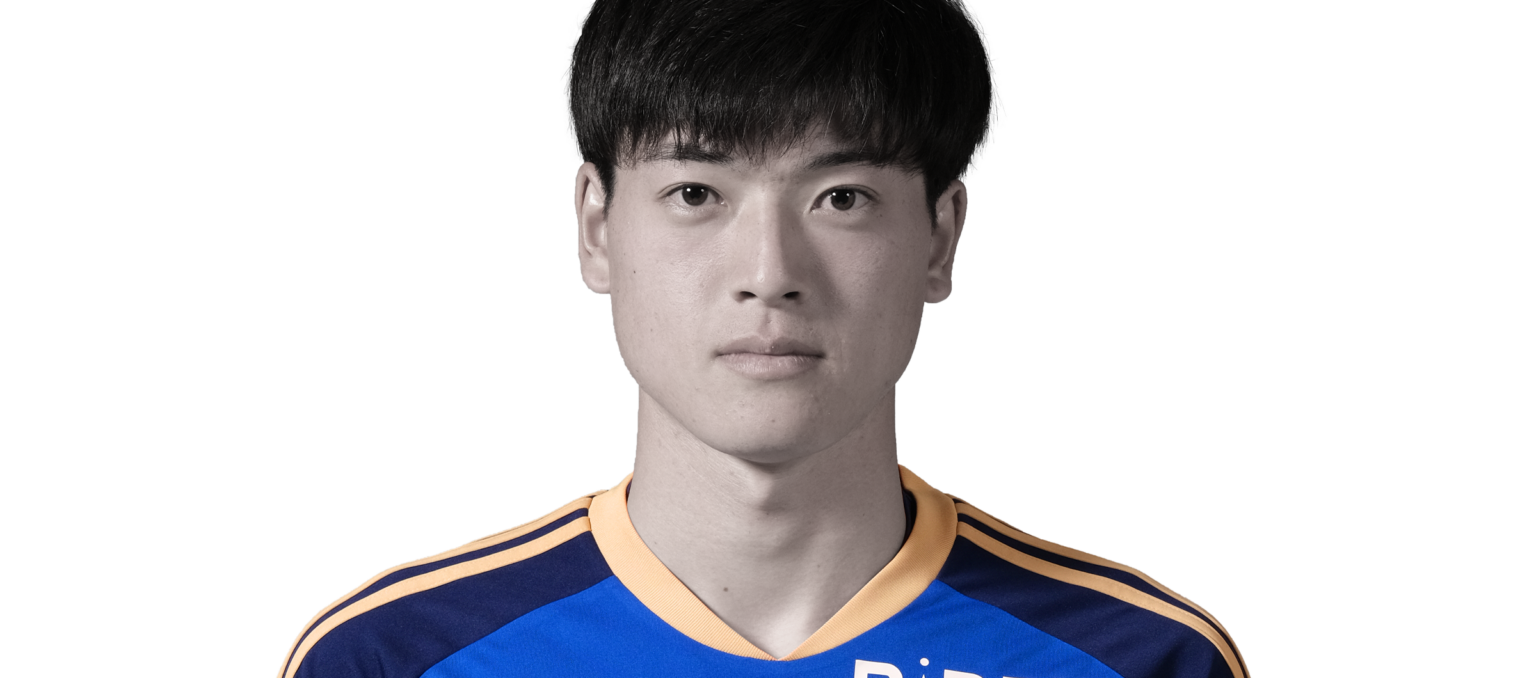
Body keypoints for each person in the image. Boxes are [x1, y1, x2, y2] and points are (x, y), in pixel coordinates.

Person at [278, 1, 1248, 676]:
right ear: (596, 227)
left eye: (842, 197)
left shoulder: (1143, 658)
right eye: (696, 192)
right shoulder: (390, 657)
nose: (770, 270)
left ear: (941, 238)